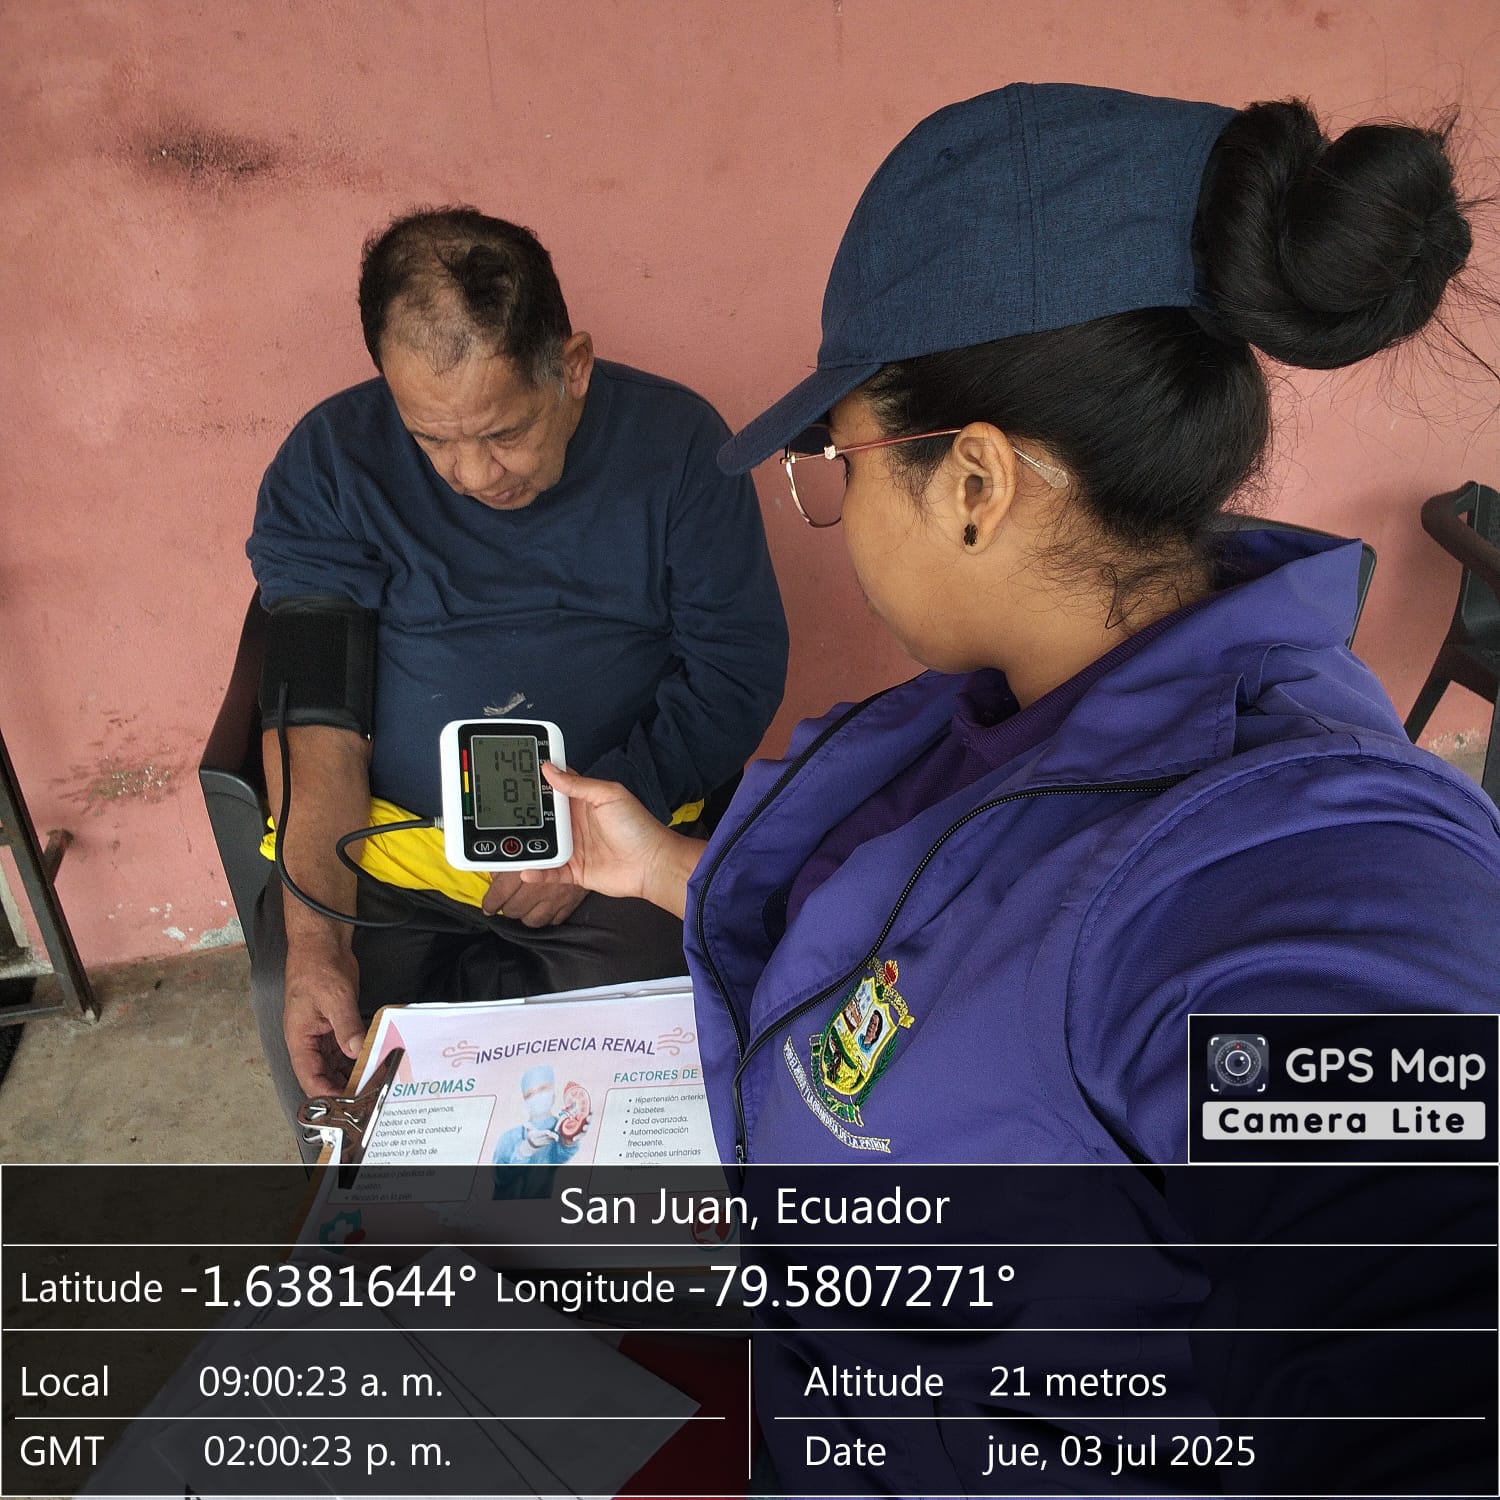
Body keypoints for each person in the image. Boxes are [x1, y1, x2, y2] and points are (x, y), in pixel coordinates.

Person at [516, 84, 1500, 1169]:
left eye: (841, 458)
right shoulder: (998, 712)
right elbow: (935, 944)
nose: (836, 501)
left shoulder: (1296, 866)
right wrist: (667, 868)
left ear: (973, 484)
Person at [246, 208, 787, 1155]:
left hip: (621, 837)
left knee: (649, 1090)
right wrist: (318, 945)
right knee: (353, 1073)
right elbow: (315, 723)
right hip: (396, 850)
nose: (470, 473)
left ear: (571, 367)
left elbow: (735, 669)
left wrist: (588, 829)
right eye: (431, 439)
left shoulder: (678, 446)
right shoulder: (330, 463)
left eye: (503, 432)